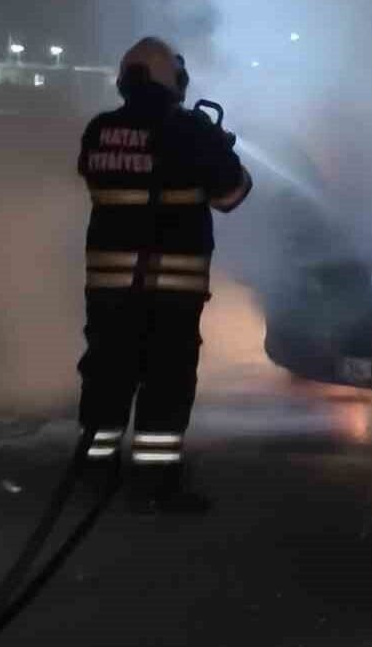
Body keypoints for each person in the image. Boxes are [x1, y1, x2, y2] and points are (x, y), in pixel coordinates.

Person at [76, 37, 252, 512]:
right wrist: (217, 147)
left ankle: (94, 470)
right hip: (170, 290)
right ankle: (154, 484)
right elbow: (231, 195)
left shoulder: (99, 130)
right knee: (165, 383)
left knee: (108, 374)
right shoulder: (190, 131)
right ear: (171, 79)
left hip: (109, 289)